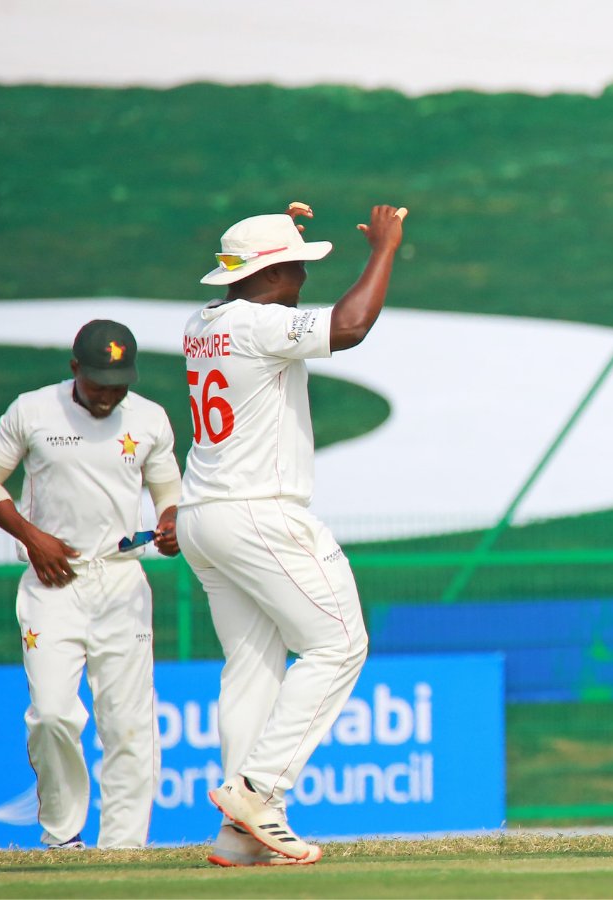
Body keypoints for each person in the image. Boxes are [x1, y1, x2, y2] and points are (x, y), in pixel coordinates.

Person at [180, 201, 405, 867]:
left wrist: (282, 229)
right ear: (271, 273)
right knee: (339, 645)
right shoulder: (259, 324)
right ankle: (260, 790)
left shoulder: (206, 321)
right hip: (259, 512)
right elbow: (352, 325)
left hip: (204, 515)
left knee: (252, 671)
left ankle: (237, 835)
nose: (305, 277)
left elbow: (269, 289)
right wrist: (384, 249)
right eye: (298, 267)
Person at [0, 320, 180, 850]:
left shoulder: (150, 418)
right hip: (51, 582)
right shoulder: (33, 410)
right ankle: (63, 839)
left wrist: (175, 522)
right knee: (53, 714)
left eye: (120, 383)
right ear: (74, 369)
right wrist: (31, 536)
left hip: (122, 581)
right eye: (98, 382)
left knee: (128, 725)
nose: (109, 394)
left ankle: (123, 850)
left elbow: (168, 493)